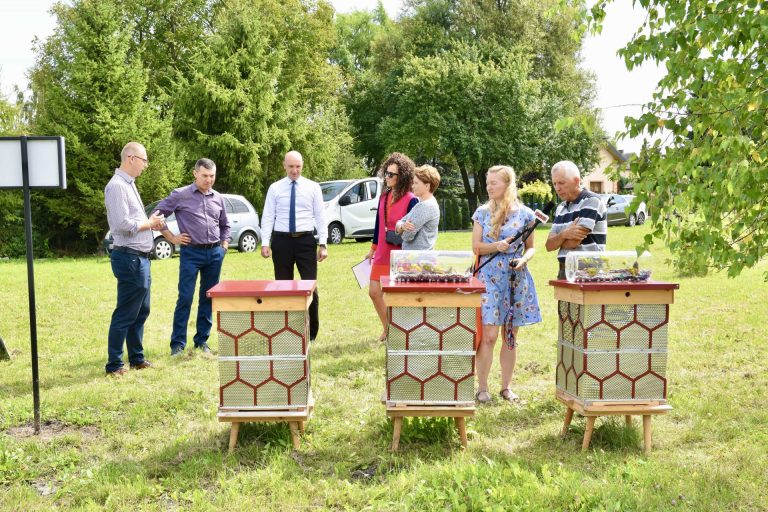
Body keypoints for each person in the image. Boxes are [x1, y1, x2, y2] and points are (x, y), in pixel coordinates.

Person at [471, 165, 542, 403]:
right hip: (489, 278)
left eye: (494, 183)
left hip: (515, 279)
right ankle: (482, 388)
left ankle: (506, 387)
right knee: (489, 335)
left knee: (510, 335)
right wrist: (496, 246)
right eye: (488, 182)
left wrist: (523, 259)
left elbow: (531, 247)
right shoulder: (481, 212)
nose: (489, 187)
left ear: (507, 185)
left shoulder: (525, 215)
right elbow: (476, 248)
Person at [154, 158, 231, 356]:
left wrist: (224, 244)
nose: (209, 180)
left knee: (208, 298)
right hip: (191, 253)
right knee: (185, 297)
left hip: (215, 254)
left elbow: (225, 225)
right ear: (195, 173)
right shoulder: (181, 195)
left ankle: (201, 342)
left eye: (212, 176)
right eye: (205, 175)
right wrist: (172, 237)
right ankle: (178, 345)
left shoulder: (218, 197)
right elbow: (157, 215)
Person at [104, 142, 165, 376]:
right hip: (129, 258)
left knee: (141, 310)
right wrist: (150, 223)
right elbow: (122, 225)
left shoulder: (129, 184)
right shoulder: (117, 186)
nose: (146, 165)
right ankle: (114, 365)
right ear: (130, 158)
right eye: (144, 160)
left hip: (140, 258)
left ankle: (136, 358)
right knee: (126, 312)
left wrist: (151, 221)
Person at [260, 151, 327, 341]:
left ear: (302, 165)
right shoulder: (275, 188)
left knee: (310, 286)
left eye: (298, 166)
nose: (294, 170)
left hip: (306, 241)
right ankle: (286, 329)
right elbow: (268, 216)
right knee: (283, 287)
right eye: (291, 166)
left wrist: (323, 244)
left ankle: (312, 333)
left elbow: (321, 217)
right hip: (282, 242)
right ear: (284, 166)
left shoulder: (313, 188)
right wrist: (265, 242)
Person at [365, 152, 418, 341]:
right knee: (374, 292)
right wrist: (372, 249)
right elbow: (378, 225)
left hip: (400, 254)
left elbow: (413, 231)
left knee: (396, 295)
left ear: (402, 176)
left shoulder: (412, 199)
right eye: (386, 173)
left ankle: (400, 331)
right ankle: (388, 327)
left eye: (391, 174)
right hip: (381, 252)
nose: (387, 177)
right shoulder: (384, 197)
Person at [545, 160, 607, 279]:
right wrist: (564, 234)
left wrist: (558, 239)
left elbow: (573, 243)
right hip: (564, 270)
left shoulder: (591, 201)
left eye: (561, 183)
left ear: (577, 181)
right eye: (554, 184)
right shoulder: (561, 208)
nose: (557, 188)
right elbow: (549, 246)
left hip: (589, 272)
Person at [395, 164, 441, 250]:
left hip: (418, 260)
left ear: (427, 186)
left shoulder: (426, 206)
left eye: (416, 183)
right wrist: (402, 226)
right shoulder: (421, 203)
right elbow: (400, 223)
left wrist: (401, 227)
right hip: (417, 259)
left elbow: (406, 236)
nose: (412, 186)